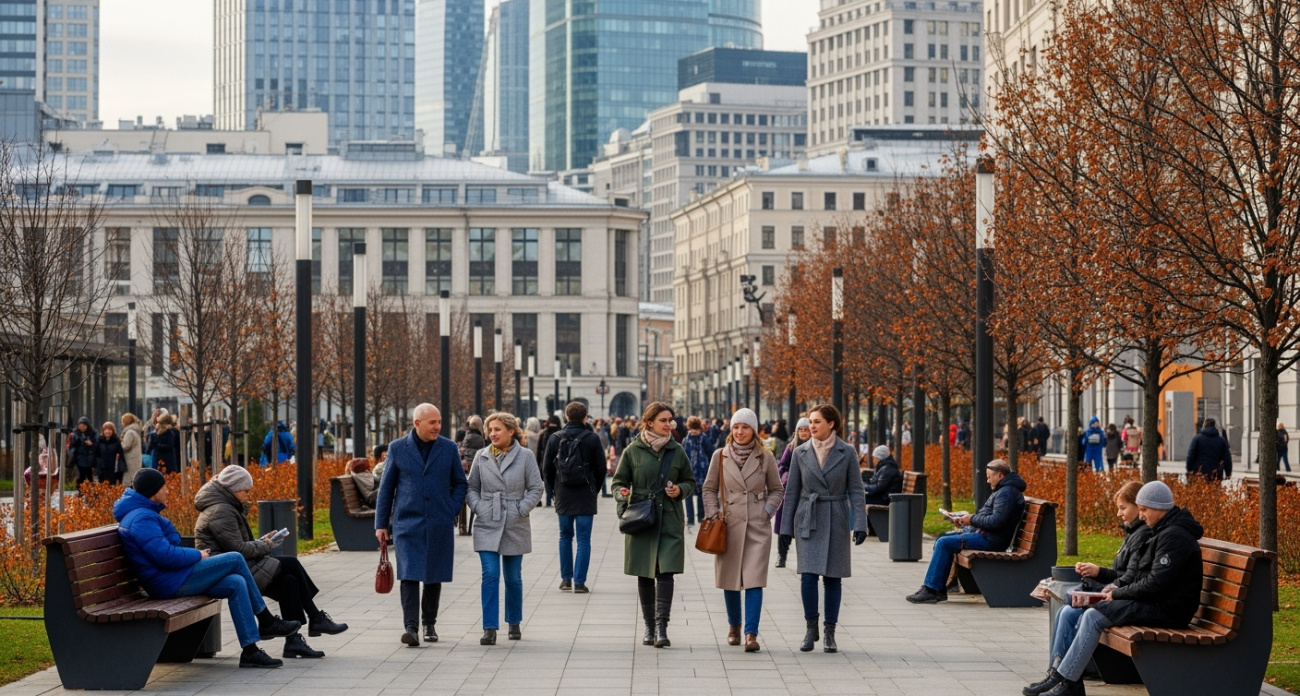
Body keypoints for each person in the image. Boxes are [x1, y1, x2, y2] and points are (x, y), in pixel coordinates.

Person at [1022, 481, 1203, 696]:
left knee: (1094, 616)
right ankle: (1063, 678)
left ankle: (1068, 682)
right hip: (1157, 603)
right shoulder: (1162, 531)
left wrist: (1116, 594)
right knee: (1087, 611)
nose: (1142, 516)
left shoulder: (1174, 537)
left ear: (1158, 508)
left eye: (1144, 510)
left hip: (1169, 610)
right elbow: (1141, 577)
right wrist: (1112, 590)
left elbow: (1155, 583)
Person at [115, 468, 300, 668]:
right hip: (168, 583)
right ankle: (266, 620)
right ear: (153, 491)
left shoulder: (142, 514)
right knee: (235, 558)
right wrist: (198, 555)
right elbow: (165, 556)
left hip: (172, 577)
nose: (167, 491)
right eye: (164, 487)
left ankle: (250, 651)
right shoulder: (141, 518)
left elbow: (163, 553)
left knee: (236, 583)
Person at [194, 465, 348, 659]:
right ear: (233, 489)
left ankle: (294, 641)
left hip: (240, 564)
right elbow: (238, 550)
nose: (247, 495)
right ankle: (315, 618)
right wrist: (265, 545)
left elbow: (238, 545)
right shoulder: (221, 510)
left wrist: (263, 541)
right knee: (291, 564)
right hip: (230, 570)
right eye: (245, 491)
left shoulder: (225, 506)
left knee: (289, 581)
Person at [1027, 482, 1151, 694]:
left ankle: (1064, 679)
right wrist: (1098, 571)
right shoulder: (1133, 532)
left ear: (1138, 507)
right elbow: (1124, 575)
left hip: (1129, 600)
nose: (1119, 514)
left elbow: (1130, 579)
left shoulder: (1143, 535)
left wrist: (1104, 585)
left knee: (1078, 612)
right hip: (1122, 595)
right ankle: (1057, 673)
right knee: (1066, 611)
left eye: (1123, 508)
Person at [375, 403, 468, 647]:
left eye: (439, 422)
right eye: (432, 422)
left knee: (433, 573)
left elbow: (460, 483)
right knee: (409, 574)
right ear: (417, 423)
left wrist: (450, 509)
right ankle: (411, 628)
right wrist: (381, 524)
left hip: (438, 521)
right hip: (407, 522)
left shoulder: (448, 448)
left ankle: (429, 623)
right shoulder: (398, 448)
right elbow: (386, 489)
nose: (438, 427)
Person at [779, 404, 868, 653]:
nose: (811, 426)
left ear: (831, 424)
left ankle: (830, 632)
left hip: (836, 516)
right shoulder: (800, 452)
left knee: (832, 578)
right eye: (810, 421)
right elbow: (792, 491)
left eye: (817, 421)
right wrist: (785, 528)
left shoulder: (846, 452)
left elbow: (856, 490)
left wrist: (860, 523)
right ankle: (811, 628)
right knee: (808, 576)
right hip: (808, 518)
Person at [612, 401, 696, 649]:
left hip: (669, 519)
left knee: (666, 572)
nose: (669, 424)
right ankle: (649, 627)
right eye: (663, 420)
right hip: (642, 519)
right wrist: (623, 495)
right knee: (645, 573)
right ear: (649, 423)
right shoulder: (633, 451)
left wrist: (680, 490)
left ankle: (662, 627)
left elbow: (690, 481)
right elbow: (618, 482)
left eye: (671, 420)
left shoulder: (677, 450)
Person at [701, 408, 784, 653]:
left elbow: (777, 489)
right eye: (736, 427)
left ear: (754, 430)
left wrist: (767, 511)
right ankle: (734, 626)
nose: (740, 432)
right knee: (730, 580)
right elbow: (709, 488)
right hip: (728, 525)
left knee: (754, 580)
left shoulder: (765, 457)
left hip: (757, 525)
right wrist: (713, 513)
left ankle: (751, 633)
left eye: (745, 427)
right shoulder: (720, 455)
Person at [466, 412, 545, 645]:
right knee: (490, 574)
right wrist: (480, 507)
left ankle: (514, 621)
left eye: (497, 429)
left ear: (511, 431)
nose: (492, 434)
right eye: (490, 430)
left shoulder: (525, 456)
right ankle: (489, 627)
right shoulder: (481, 456)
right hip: (487, 520)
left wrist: (521, 509)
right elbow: (471, 488)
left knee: (513, 577)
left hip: (514, 521)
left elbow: (536, 487)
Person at [907, 459, 1026, 604]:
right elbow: (990, 518)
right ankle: (938, 587)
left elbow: (996, 521)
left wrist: (972, 520)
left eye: (989, 477)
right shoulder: (1004, 490)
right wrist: (966, 521)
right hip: (985, 535)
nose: (988, 481)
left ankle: (932, 590)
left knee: (944, 543)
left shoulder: (1006, 493)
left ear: (1000, 475)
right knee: (942, 538)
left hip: (991, 540)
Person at [542, 402, 606, 594]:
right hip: (585, 493)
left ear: (567, 417)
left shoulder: (555, 438)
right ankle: (579, 582)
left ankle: (566, 579)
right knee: (584, 539)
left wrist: (554, 490)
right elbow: (601, 468)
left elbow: (546, 469)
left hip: (563, 492)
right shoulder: (592, 438)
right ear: (585, 417)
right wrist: (595, 488)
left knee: (565, 536)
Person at [774, 418, 810, 568]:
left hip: (807, 492)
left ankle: (806, 559)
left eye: (805, 430)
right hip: (790, 491)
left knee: (806, 527)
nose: (803, 432)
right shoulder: (791, 447)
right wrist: (787, 476)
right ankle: (781, 556)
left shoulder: (815, 447)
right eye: (800, 430)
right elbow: (782, 465)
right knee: (785, 523)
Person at [681, 416, 715, 528]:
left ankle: (695, 517)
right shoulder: (693, 439)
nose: (694, 431)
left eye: (695, 428)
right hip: (696, 470)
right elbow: (711, 452)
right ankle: (695, 517)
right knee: (695, 494)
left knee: (695, 494)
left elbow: (711, 452)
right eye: (692, 428)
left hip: (696, 470)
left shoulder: (693, 439)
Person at [457, 416, 487, 535]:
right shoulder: (480, 438)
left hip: (465, 469)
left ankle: (462, 526)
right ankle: (471, 525)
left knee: (463, 498)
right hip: (476, 470)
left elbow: (463, 451)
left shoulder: (466, 435)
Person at [1185, 417, 1232, 482]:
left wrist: (1189, 469)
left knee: (1200, 487)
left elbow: (1191, 455)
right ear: (1214, 426)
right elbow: (1227, 458)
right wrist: (1228, 473)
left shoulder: (1197, 439)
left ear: (1204, 426)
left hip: (1199, 472)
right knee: (1214, 488)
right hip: (1216, 473)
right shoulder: (1221, 441)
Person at [536, 415, 562, 507]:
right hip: (558, 461)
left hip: (546, 459)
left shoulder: (544, 433)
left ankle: (548, 500)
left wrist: (538, 461)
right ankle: (555, 499)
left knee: (547, 479)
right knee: (557, 480)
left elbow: (539, 450)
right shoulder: (561, 433)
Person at [67, 417, 97, 485]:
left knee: (89, 477)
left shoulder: (93, 433)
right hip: (78, 459)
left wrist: (91, 444)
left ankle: (89, 489)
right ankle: (80, 488)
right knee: (80, 477)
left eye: (83, 426)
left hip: (90, 459)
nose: (82, 428)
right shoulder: (75, 433)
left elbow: (96, 444)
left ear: (87, 426)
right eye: (80, 426)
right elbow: (72, 445)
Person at [120, 413, 144, 482]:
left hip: (130, 460)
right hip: (136, 459)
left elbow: (126, 446)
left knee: (129, 480)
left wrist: (120, 442)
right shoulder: (136, 431)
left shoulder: (129, 432)